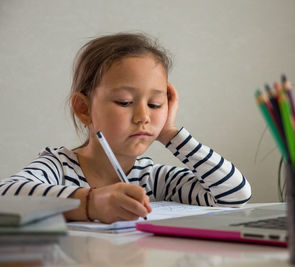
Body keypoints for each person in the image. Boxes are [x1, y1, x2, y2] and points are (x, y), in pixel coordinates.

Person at [0, 33, 251, 223]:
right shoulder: (58, 167)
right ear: (84, 109)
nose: (143, 116)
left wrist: (170, 134)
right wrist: (91, 204)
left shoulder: (151, 178)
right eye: (125, 102)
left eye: (155, 104)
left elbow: (234, 194)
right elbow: (5, 197)